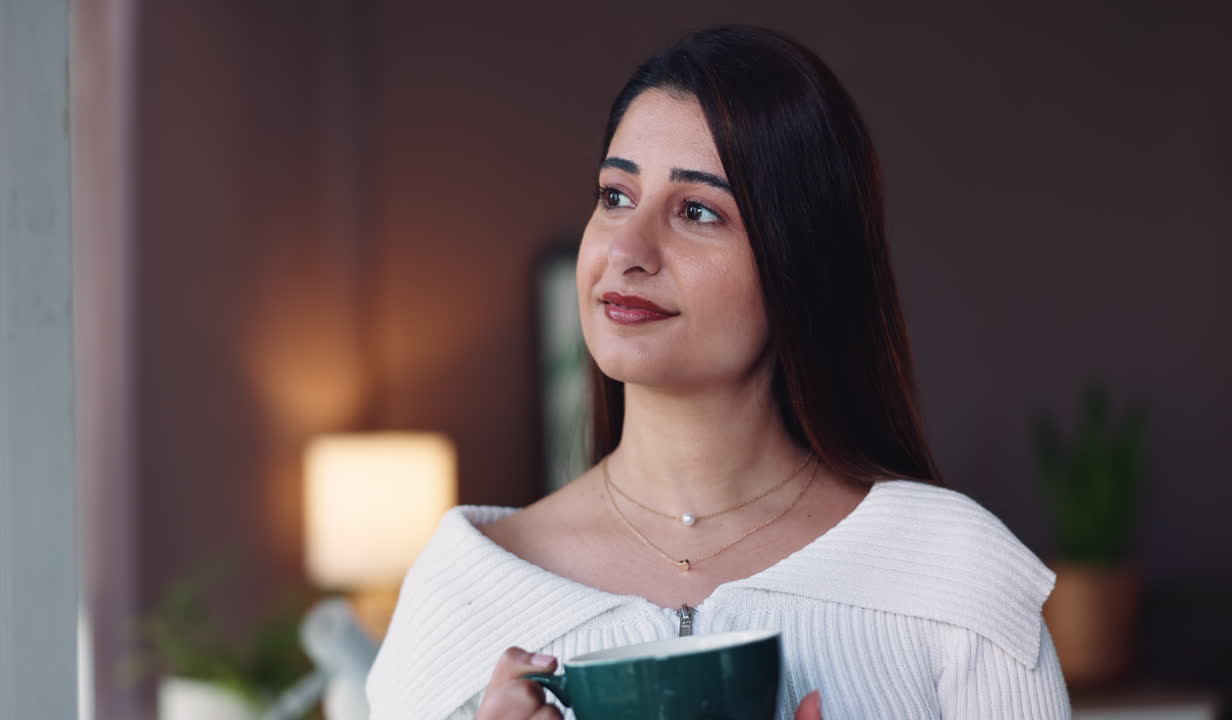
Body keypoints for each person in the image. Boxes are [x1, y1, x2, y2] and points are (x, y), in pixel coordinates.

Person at [365, 25, 1071, 720]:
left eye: (698, 211)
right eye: (615, 196)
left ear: (801, 264)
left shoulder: (953, 581)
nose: (628, 250)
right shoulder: (463, 595)